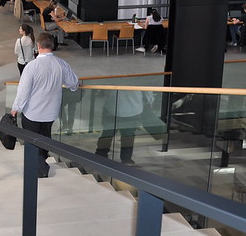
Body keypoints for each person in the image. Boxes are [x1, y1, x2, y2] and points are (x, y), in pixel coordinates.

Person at [11, 32, 79, 178]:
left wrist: (15, 109)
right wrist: (72, 87)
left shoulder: (31, 66)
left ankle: (40, 169)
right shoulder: (61, 64)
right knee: (45, 137)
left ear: (38, 46)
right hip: (51, 112)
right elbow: (74, 83)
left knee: (32, 141)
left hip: (32, 112)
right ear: (52, 46)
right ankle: (41, 159)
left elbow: (23, 92)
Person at [95, 90, 152, 165]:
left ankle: (101, 154)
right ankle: (126, 159)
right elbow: (147, 93)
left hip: (112, 107)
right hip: (133, 109)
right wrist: (149, 102)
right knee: (128, 136)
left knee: (107, 133)